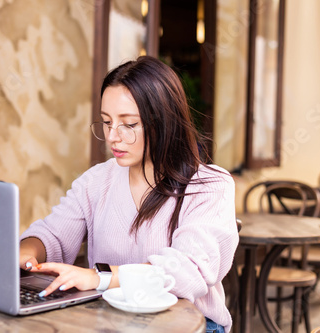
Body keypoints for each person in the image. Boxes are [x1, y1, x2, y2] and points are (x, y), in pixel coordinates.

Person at [19, 56, 238, 333]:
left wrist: (99, 278)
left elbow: (186, 271)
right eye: (107, 122)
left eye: (129, 124)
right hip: (112, 321)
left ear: (165, 122)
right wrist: (24, 253)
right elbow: (53, 234)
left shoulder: (210, 185)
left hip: (191, 325)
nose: (112, 137)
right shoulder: (97, 180)